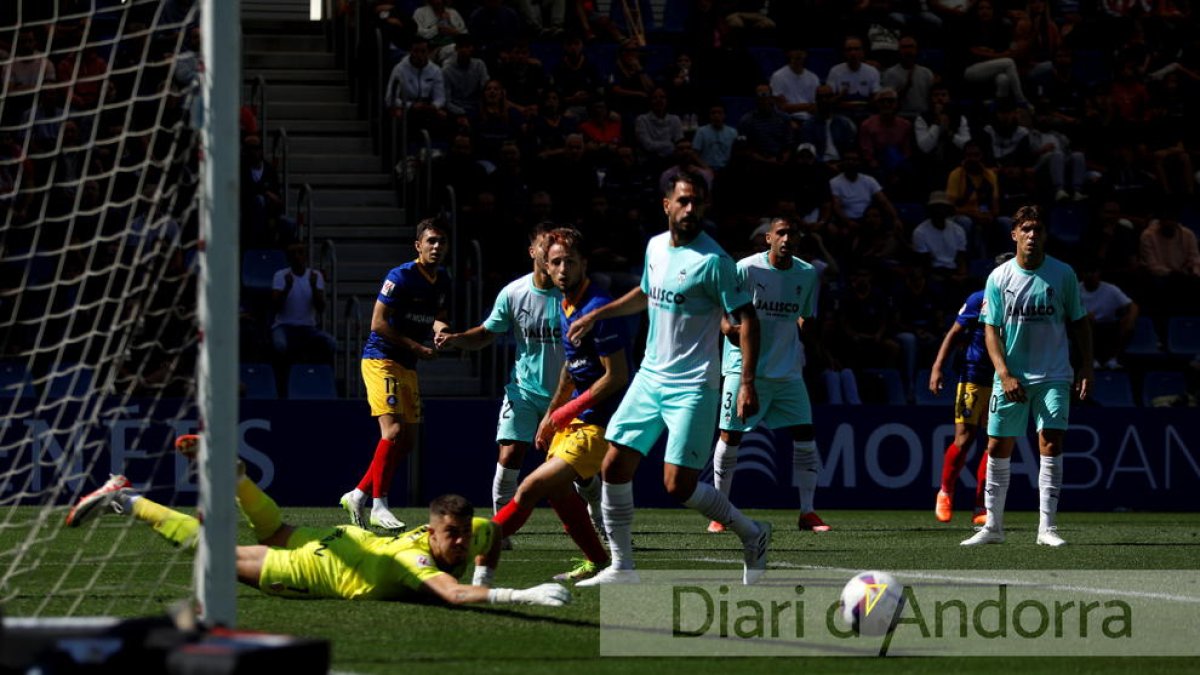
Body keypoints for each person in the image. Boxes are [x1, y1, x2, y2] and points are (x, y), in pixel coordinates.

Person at [65, 437, 570, 607]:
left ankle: (239, 481)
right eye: (451, 535)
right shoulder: (414, 558)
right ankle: (124, 499)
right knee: (215, 555)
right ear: (432, 529)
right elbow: (454, 595)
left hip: (342, 538)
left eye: (462, 534)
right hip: (319, 570)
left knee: (272, 529)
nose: (459, 543)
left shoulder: (470, 529)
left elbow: (494, 534)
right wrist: (519, 595)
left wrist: (484, 571)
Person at [566, 171, 772, 586]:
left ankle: (752, 532)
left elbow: (746, 319)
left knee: (677, 485)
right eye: (683, 201)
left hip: (694, 384)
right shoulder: (655, 247)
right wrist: (596, 313)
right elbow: (645, 292)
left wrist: (747, 382)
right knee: (614, 465)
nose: (690, 209)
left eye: (697, 202)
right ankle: (622, 567)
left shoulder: (715, 262)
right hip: (649, 377)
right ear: (666, 205)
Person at [490, 227, 631, 583]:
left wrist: (564, 411)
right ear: (546, 267)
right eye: (556, 262)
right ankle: (599, 560)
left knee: (530, 488)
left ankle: (479, 544)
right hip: (575, 420)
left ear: (584, 263)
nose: (563, 268)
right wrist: (552, 414)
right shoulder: (567, 304)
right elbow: (571, 367)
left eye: (570, 261)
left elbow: (616, 376)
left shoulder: (597, 309)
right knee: (556, 492)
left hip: (601, 422)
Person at [961, 206, 1092, 548]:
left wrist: (1086, 367)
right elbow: (990, 330)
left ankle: (1046, 528)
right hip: (1012, 377)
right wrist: (1003, 374)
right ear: (1014, 235)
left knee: (1050, 442)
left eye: (1038, 229)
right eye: (1027, 229)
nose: (1033, 235)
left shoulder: (1063, 274)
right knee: (996, 446)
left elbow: (1079, 322)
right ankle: (993, 527)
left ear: (1045, 235)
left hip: (1053, 374)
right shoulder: (999, 278)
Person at [434, 228, 568, 546]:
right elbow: (485, 333)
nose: (550, 253)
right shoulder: (514, 293)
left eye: (556, 249)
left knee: (576, 470)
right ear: (533, 252)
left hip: (565, 396)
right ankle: (501, 531)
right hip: (523, 391)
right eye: (544, 246)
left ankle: (597, 521)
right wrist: (455, 339)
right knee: (509, 456)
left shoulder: (571, 295)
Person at [708, 217, 829, 534]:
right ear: (768, 239)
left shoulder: (807, 273)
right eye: (781, 233)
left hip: (787, 369)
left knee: (805, 434)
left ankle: (808, 512)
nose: (787, 238)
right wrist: (726, 329)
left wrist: (807, 338)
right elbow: (722, 308)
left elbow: (805, 316)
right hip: (743, 367)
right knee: (731, 435)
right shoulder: (746, 269)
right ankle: (721, 511)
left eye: (793, 233)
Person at [341, 219, 452, 531]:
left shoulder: (443, 279)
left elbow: (438, 318)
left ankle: (357, 494)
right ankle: (379, 504)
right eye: (430, 241)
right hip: (381, 359)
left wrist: (443, 333)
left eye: (442, 242)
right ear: (418, 245)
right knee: (391, 433)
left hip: (408, 364)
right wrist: (416, 346)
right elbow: (377, 323)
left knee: (407, 441)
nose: (436, 247)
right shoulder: (400, 276)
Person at [929, 256, 1013, 526]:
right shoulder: (980, 298)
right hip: (974, 375)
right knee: (964, 439)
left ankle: (981, 505)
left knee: (994, 442)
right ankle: (945, 491)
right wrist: (937, 367)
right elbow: (954, 332)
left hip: (1004, 378)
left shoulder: (1020, 301)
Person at [271, 244, 335, 367]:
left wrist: (314, 287)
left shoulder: (315, 276)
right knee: (280, 345)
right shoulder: (280, 276)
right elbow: (276, 307)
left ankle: (319, 376)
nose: (297, 257)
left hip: (308, 328)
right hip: (284, 325)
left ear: (305, 256)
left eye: (300, 253)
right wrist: (287, 288)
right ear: (288, 258)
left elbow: (321, 308)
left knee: (331, 343)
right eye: (293, 254)